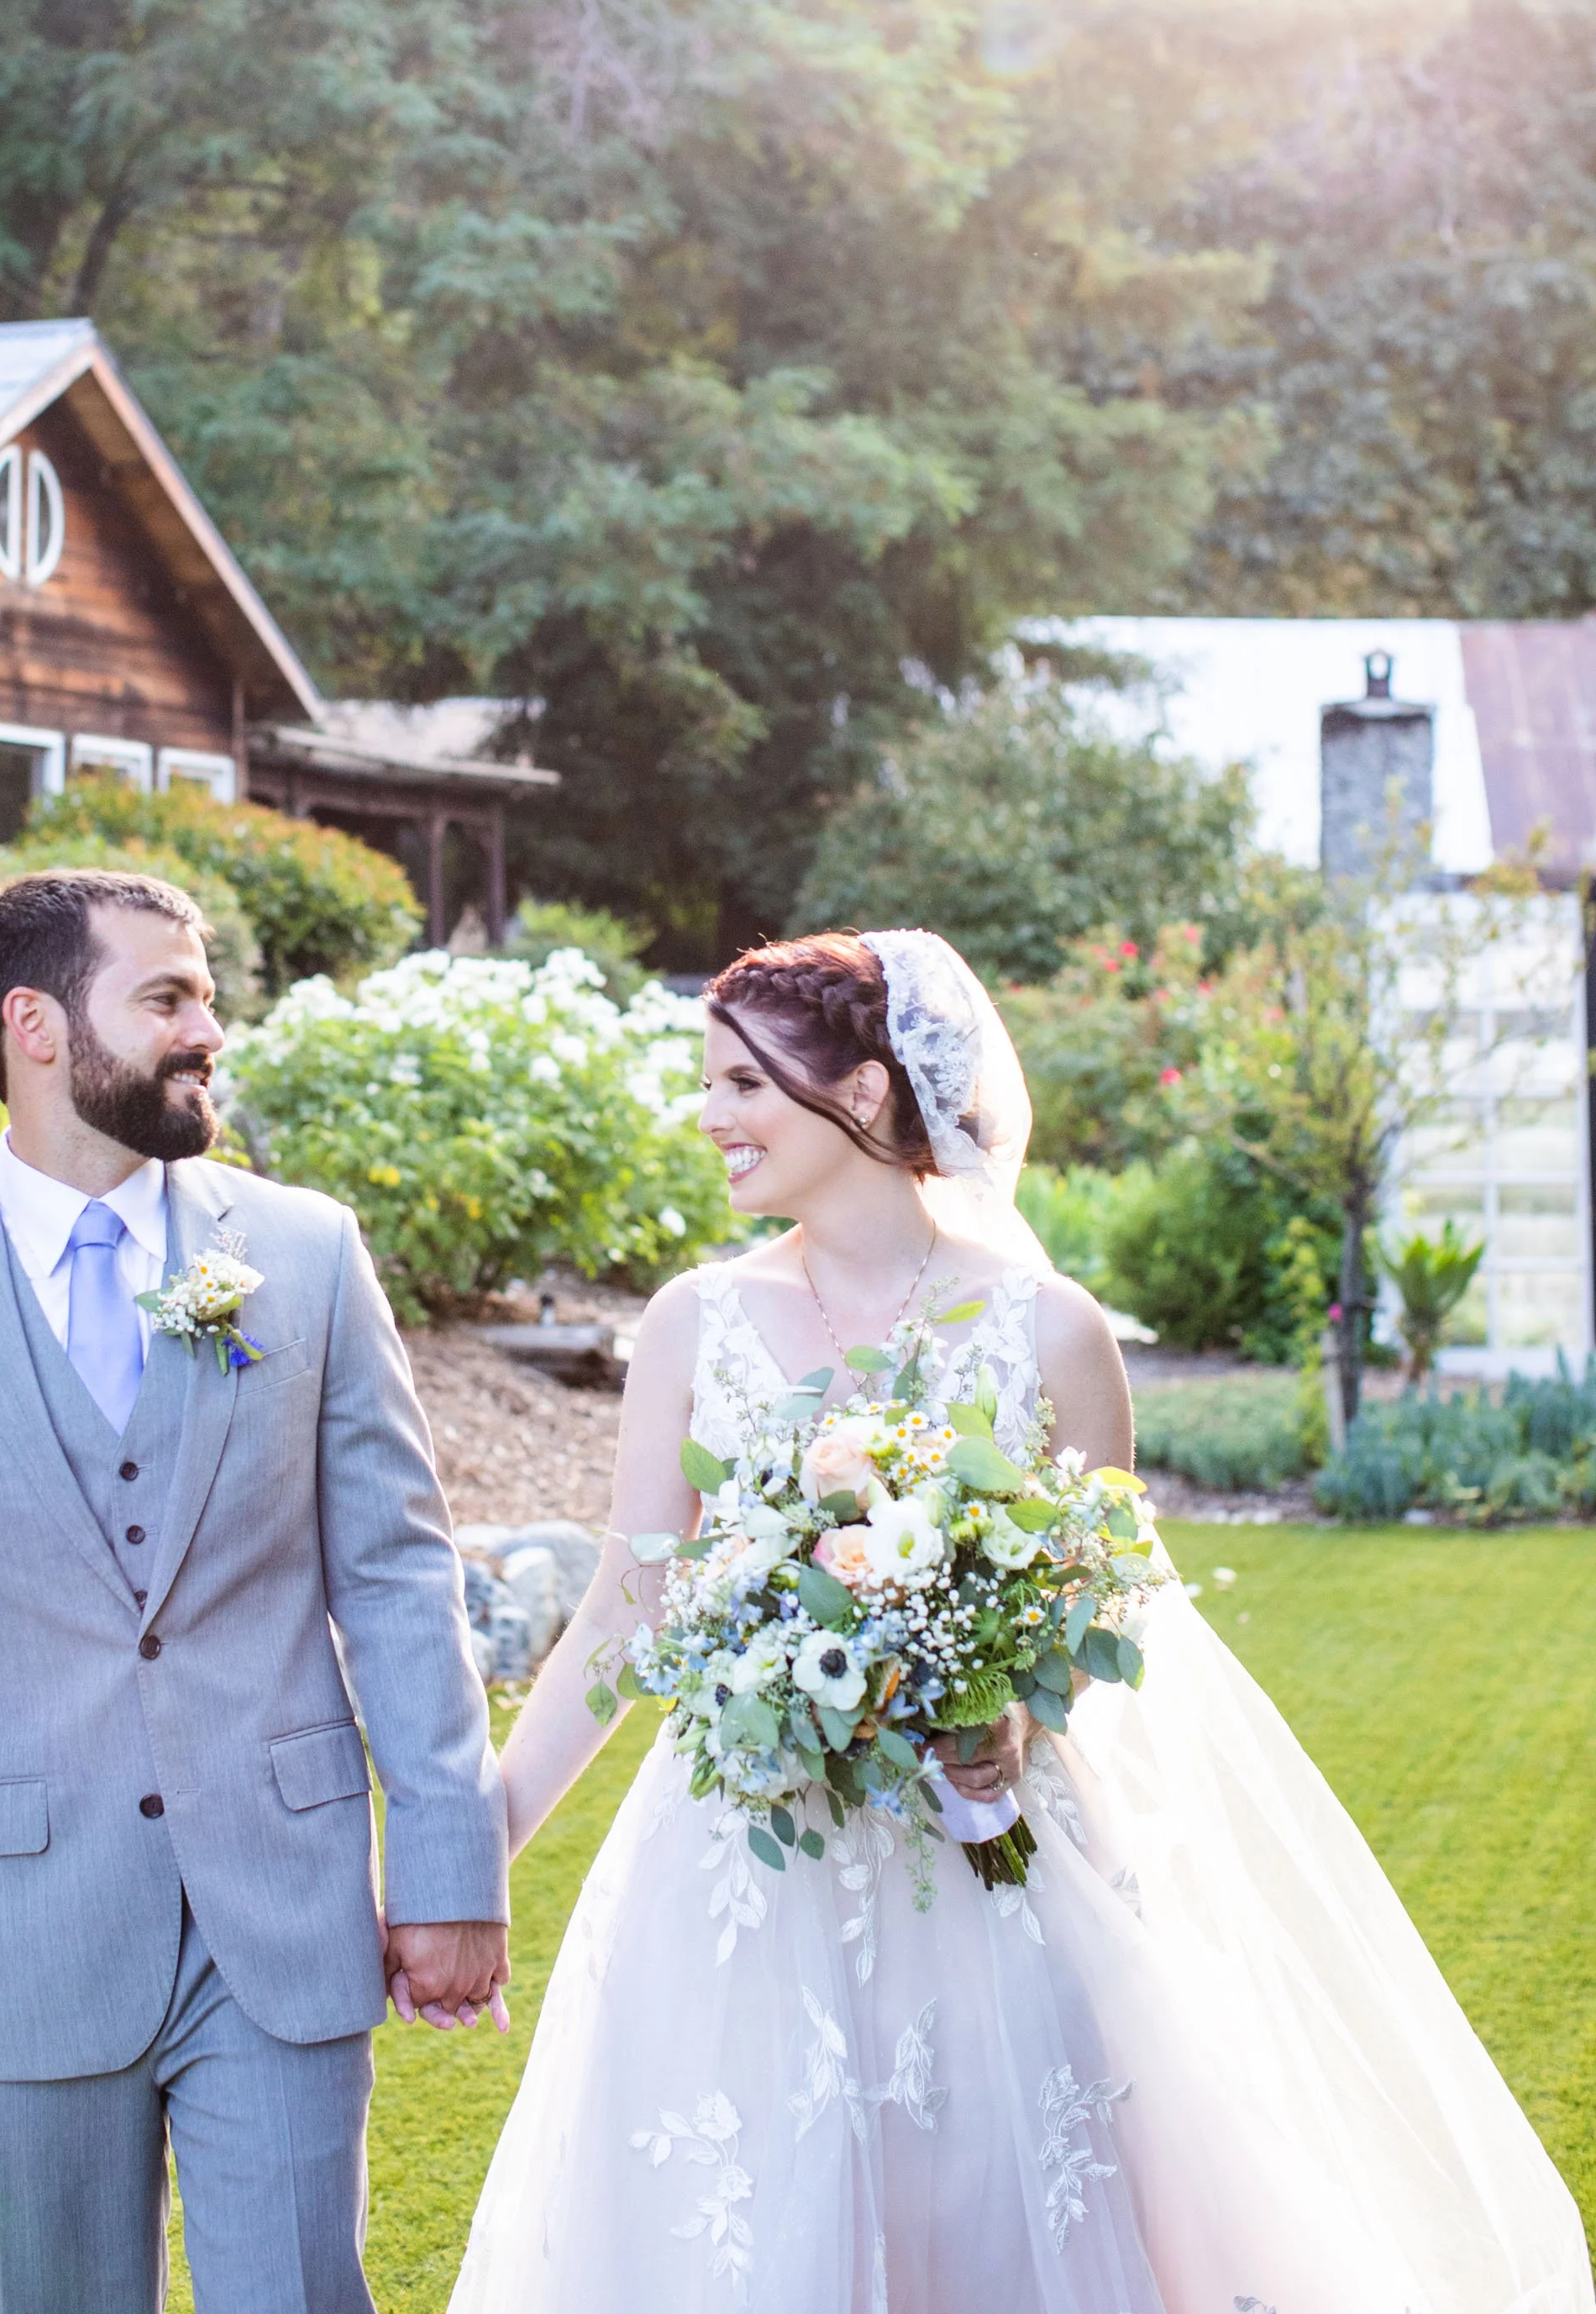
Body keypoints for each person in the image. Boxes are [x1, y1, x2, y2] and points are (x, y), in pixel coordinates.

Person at [450, 927, 1595, 2314]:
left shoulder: (1051, 1330)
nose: (712, 1117)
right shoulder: (696, 1324)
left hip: (994, 1862)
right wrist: (482, 1839)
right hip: (748, 1871)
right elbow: (630, 1604)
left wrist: (1008, 1701)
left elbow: (1109, 1616)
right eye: (712, 1085)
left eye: (745, 1085)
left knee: (1005, 2225)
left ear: (864, 1093)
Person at [0, 867, 509, 2314]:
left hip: (283, 1913)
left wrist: (450, 1869)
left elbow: (397, 1576)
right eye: (169, 998)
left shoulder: (309, 1257)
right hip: (23, 1932)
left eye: (208, 995)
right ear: (35, 1023)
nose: (210, 1028)